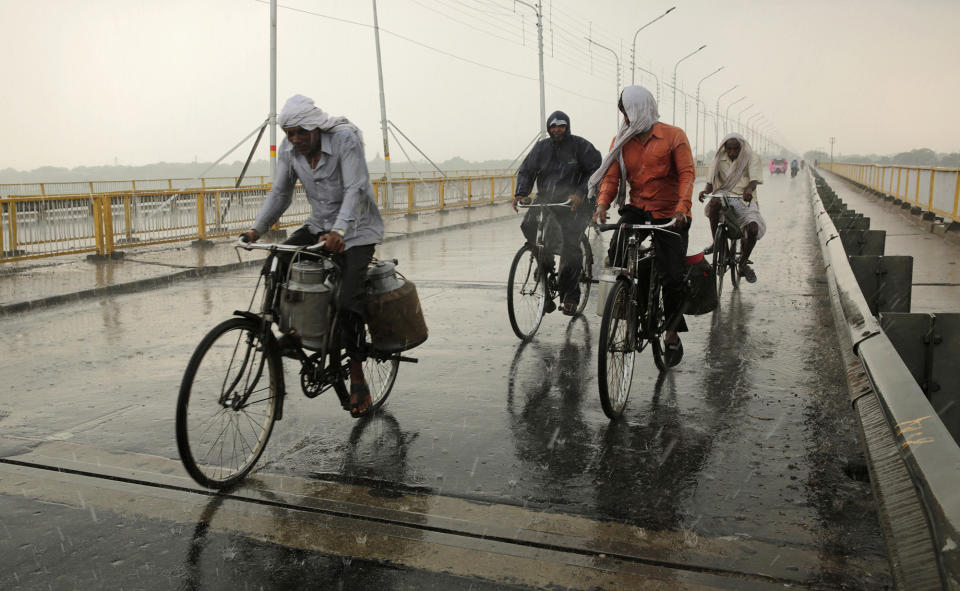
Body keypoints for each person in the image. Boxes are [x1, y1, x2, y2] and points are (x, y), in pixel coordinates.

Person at [242, 94, 384, 418]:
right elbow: (280, 193)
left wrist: (341, 232)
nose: (295, 140)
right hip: (319, 225)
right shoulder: (291, 151)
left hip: (358, 229)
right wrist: (256, 230)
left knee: (347, 299)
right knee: (277, 261)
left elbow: (356, 188)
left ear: (315, 127)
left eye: (300, 133)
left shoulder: (344, 139)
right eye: (290, 133)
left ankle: (358, 376)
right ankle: (287, 333)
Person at [590, 86, 695, 367]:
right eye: (623, 113)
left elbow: (686, 174)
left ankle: (671, 333)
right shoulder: (621, 140)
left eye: (628, 111)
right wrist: (602, 204)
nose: (626, 117)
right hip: (637, 209)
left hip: (670, 212)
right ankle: (625, 302)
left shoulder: (674, 136)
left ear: (641, 109)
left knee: (672, 274)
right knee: (617, 254)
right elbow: (611, 177)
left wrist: (682, 207)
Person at [513, 110, 602, 315]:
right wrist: (521, 193)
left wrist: (580, 192)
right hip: (548, 199)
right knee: (529, 226)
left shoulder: (580, 146)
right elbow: (527, 170)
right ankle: (545, 265)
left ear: (567, 126)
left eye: (561, 126)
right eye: (553, 126)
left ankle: (570, 296)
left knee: (570, 244)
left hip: (575, 202)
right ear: (549, 128)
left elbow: (595, 170)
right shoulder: (541, 148)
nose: (557, 130)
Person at [698, 133, 766, 283]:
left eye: (735, 149)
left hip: (744, 198)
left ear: (741, 147)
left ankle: (742, 263)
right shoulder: (718, 159)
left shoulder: (751, 157)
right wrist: (705, 191)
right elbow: (710, 183)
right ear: (725, 148)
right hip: (724, 195)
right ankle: (718, 244)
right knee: (714, 204)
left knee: (753, 229)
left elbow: (754, 181)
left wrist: (748, 189)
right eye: (729, 149)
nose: (732, 153)